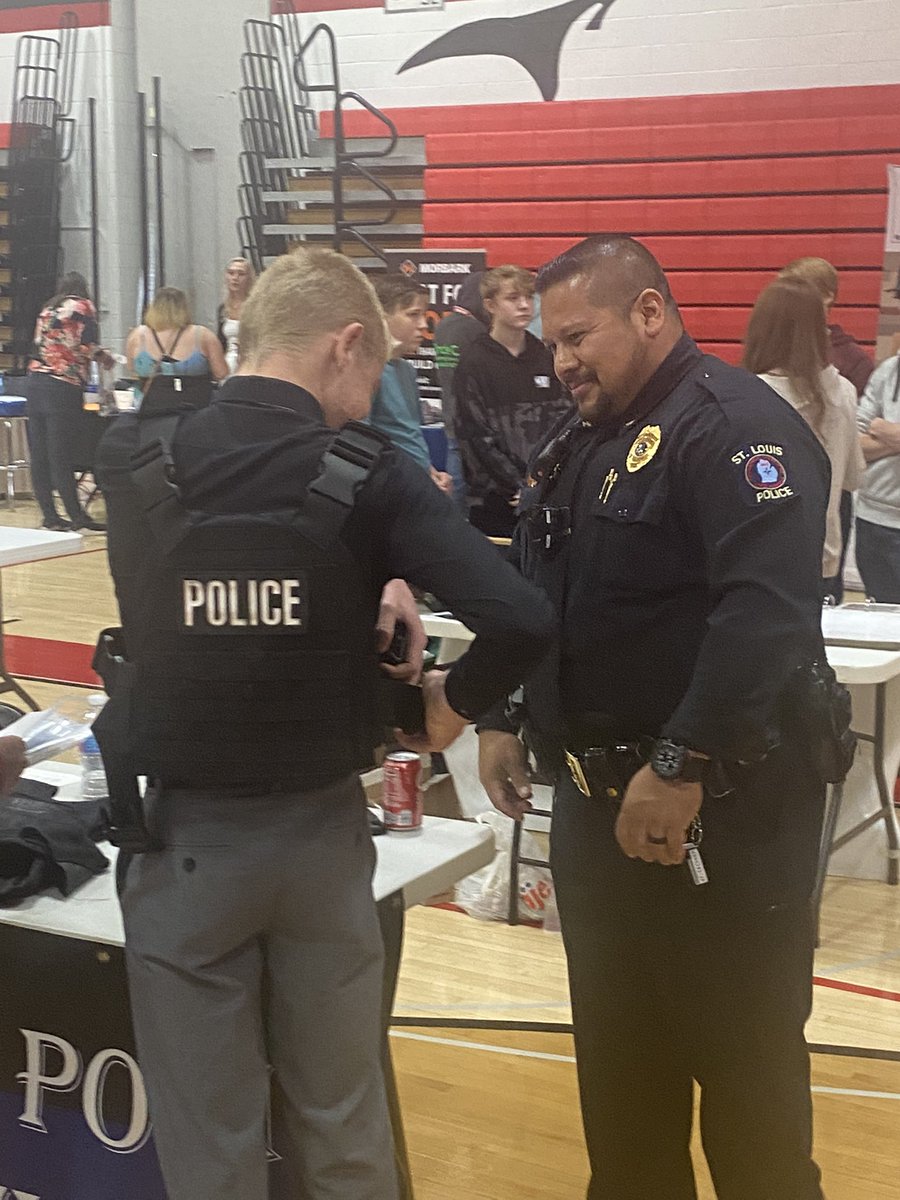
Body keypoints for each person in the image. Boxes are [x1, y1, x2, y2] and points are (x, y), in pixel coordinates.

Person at [92, 247, 556, 1200]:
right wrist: (443, 713)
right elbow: (522, 617)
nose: (371, 393)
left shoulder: (134, 452)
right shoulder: (370, 476)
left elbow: (175, 613)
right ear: (346, 344)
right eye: (377, 365)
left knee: (208, 1150)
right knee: (343, 1130)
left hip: (181, 839)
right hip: (318, 840)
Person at [478, 235, 831, 1199]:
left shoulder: (735, 429)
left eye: (578, 337)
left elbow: (766, 614)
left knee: (750, 1096)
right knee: (624, 1097)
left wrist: (681, 763)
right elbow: (539, 584)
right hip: (600, 818)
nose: (561, 364)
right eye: (550, 345)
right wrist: (507, 710)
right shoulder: (581, 439)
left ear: (649, 312)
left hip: (725, 818)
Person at [744, 276, 864, 602]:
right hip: (823, 554)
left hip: (758, 559)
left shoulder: (747, 395)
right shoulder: (844, 394)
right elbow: (853, 477)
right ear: (819, 330)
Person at [454, 265, 571, 537]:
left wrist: (544, 482)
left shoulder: (545, 355)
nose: (524, 305)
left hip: (546, 494)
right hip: (497, 500)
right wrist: (518, 486)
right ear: (490, 305)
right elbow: (475, 437)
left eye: (529, 298)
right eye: (513, 298)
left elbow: (566, 423)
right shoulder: (473, 362)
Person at [25, 272, 115, 531]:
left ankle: (50, 516)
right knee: (60, 453)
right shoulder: (83, 307)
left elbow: (39, 344)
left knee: (40, 454)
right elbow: (85, 346)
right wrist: (104, 356)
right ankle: (77, 515)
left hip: (35, 381)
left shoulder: (47, 308)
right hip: (62, 383)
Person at [369, 274, 453, 495]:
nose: (424, 325)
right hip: (390, 493)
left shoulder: (406, 370)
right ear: (381, 316)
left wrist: (430, 471)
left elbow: (409, 435)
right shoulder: (367, 372)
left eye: (424, 315)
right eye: (413, 315)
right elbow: (365, 446)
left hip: (414, 487)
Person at [778, 256, 875, 396]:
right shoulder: (772, 347)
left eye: (798, 292)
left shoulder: (854, 360)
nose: (787, 301)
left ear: (826, 297)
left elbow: (858, 414)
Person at [433, 271, 487, 505]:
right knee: (465, 487)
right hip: (471, 418)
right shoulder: (475, 331)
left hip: (450, 411)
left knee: (454, 473)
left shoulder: (443, 325)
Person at [855, 350, 900, 600]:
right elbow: (855, 443)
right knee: (881, 619)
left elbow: (871, 429)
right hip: (873, 519)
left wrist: (882, 428)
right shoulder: (889, 370)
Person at [127, 286, 228, 395]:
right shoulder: (203, 335)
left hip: (147, 406)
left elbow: (132, 369)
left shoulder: (137, 336)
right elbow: (221, 373)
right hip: (195, 405)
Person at [217, 256, 257, 374]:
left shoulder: (256, 307)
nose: (235, 278)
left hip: (250, 362)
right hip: (228, 362)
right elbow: (220, 342)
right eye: (231, 273)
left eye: (241, 274)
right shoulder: (223, 308)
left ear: (249, 278)